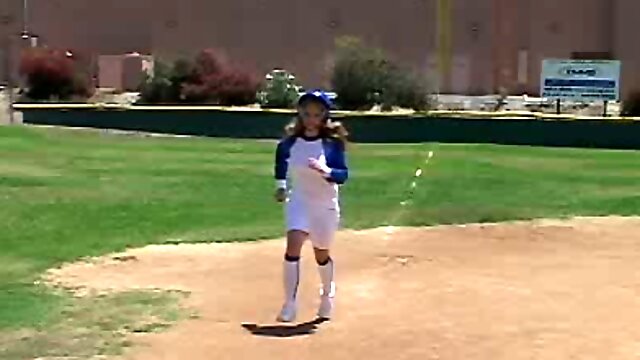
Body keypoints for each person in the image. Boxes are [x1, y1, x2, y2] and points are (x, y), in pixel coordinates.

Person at [273, 90, 349, 322]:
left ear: (324, 115)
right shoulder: (289, 143)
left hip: (324, 205)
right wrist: (281, 186)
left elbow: (342, 175)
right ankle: (289, 304)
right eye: (306, 113)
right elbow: (281, 166)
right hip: (300, 201)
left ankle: (327, 294)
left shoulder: (331, 144)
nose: (310, 118)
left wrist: (325, 171)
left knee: (321, 254)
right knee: (293, 246)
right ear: (299, 114)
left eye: (316, 114)